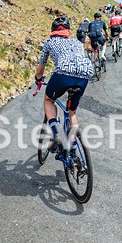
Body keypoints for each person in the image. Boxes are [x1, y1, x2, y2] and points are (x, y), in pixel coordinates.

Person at [34, 17, 94, 153]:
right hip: (84, 75)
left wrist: (38, 79)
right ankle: (73, 149)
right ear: (68, 31)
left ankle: (56, 134)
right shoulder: (77, 42)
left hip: (63, 73)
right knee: (71, 112)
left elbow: (40, 68)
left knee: (49, 100)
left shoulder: (49, 42)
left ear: (53, 30)